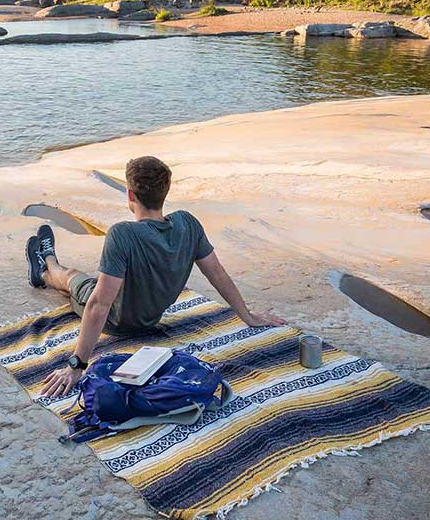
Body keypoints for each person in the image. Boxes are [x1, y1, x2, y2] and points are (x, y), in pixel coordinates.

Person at [25, 155, 285, 398]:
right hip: (151, 318)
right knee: (89, 283)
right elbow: (217, 273)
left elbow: (99, 305)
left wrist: (77, 364)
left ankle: (47, 265)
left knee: (73, 279)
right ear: (166, 192)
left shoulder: (122, 234)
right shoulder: (188, 224)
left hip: (117, 323)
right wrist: (247, 316)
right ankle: (45, 266)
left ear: (130, 195)